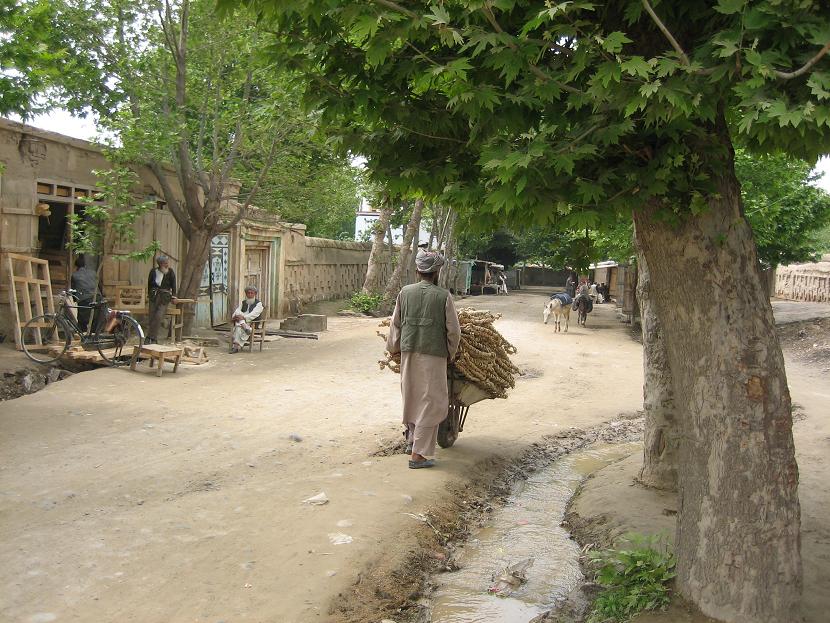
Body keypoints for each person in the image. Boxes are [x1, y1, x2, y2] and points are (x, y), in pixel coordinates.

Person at [386, 250, 461, 469]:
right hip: (434, 355)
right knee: (432, 402)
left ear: (418, 270)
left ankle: (412, 440)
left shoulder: (404, 292)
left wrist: (393, 349)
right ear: (437, 271)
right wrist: (451, 353)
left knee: (411, 396)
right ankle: (418, 455)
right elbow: (453, 331)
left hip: (409, 353)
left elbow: (395, 324)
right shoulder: (443, 296)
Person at [146, 255, 177, 344]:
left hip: (164, 298)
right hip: (154, 296)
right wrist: (149, 295)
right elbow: (149, 284)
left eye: (167, 263)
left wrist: (174, 296)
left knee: (159, 316)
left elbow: (174, 285)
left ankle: (150, 337)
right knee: (152, 317)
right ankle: (152, 339)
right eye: (165, 263)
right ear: (160, 264)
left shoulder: (170, 272)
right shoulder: (153, 271)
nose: (167, 265)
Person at [70, 255, 99, 332]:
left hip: (84, 299)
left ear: (76, 266)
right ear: (85, 265)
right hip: (97, 297)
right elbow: (97, 285)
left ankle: (83, 336)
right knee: (95, 319)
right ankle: (94, 337)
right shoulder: (93, 273)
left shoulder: (75, 275)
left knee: (82, 320)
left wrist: (75, 300)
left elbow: (73, 290)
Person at [230, 285, 263, 353]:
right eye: (248, 293)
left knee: (238, 324)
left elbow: (254, 314)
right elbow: (237, 311)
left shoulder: (259, 304)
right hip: (244, 324)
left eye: (252, 293)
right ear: (246, 294)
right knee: (238, 318)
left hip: (252, 322)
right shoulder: (243, 302)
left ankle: (235, 347)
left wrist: (244, 317)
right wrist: (235, 317)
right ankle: (245, 328)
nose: (250, 294)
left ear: (255, 294)